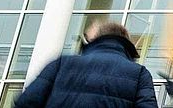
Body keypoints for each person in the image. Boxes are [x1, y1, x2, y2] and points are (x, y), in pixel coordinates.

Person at [14, 21, 158, 108]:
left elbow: (26, 102)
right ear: (127, 44)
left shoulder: (62, 64)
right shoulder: (139, 73)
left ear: (94, 39)